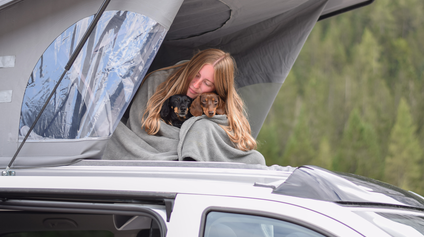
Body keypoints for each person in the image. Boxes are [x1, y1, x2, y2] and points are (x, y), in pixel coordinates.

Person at [103, 49, 265, 164]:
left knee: (205, 128)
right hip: (147, 149)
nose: (196, 84)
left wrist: (199, 131)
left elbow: (230, 140)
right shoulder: (157, 81)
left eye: (206, 83)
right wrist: (181, 149)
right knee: (106, 126)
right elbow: (138, 127)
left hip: (193, 157)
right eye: (196, 75)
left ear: (216, 89)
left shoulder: (226, 102)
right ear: (191, 68)